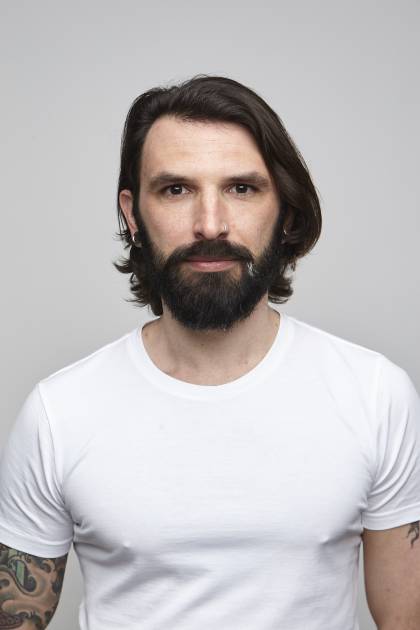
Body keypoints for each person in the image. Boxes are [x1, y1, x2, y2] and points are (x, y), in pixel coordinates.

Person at [0, 74, 419, 630]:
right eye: (176, 190)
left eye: (241, 188)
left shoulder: (376, 394)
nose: (210, 225)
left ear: (286, 212)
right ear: (133, 213)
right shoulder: (58, 412)